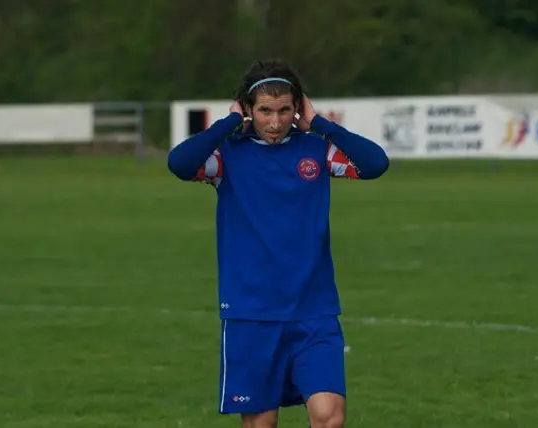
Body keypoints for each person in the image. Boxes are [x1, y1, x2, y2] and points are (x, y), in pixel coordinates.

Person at [167, 59, 389, 428]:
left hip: (314, 310)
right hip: (251, 313)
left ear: (297, 107)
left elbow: (375, 163)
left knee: (329, 418)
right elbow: (179, 163)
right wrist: (227, 124)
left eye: (285, 110)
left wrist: (319, 124)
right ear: (248, 109)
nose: (275, 121)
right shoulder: (226, 156)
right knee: (261, 424)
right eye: (265, 111)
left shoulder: (317, 150)